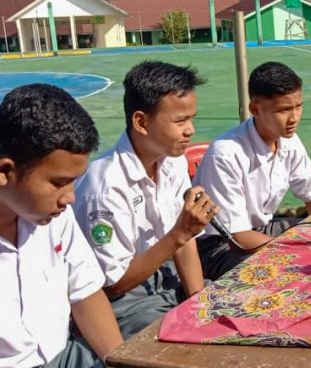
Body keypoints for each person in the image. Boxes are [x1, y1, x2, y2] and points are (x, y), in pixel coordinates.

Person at [0, 84, 123, 368]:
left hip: (66, 359)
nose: (70, 197)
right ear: (5, 171)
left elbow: (85, 294)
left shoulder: (54, 216)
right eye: (58, 183)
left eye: (73, 181)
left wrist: (118, 367)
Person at [74, 61, 218, 339]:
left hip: (163, 275)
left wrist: (199, 304)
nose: (190, 130)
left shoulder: (172, 161)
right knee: (179, 339)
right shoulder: (105, 186)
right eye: (179, 121)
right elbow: (113, 286)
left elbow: (184, 243)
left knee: (225, 306)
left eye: (191, 119)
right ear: (141, 122)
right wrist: (180, 233)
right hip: (123, 301)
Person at [194, 62, 311, 280]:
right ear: (255, 109)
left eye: (298, 106)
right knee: (284, 271)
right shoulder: (225, 154)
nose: (294, 118)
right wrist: (297, 252)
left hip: (260, 230)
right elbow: (237, 237)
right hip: (220, 246)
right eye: (283, 110)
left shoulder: (290, 141)